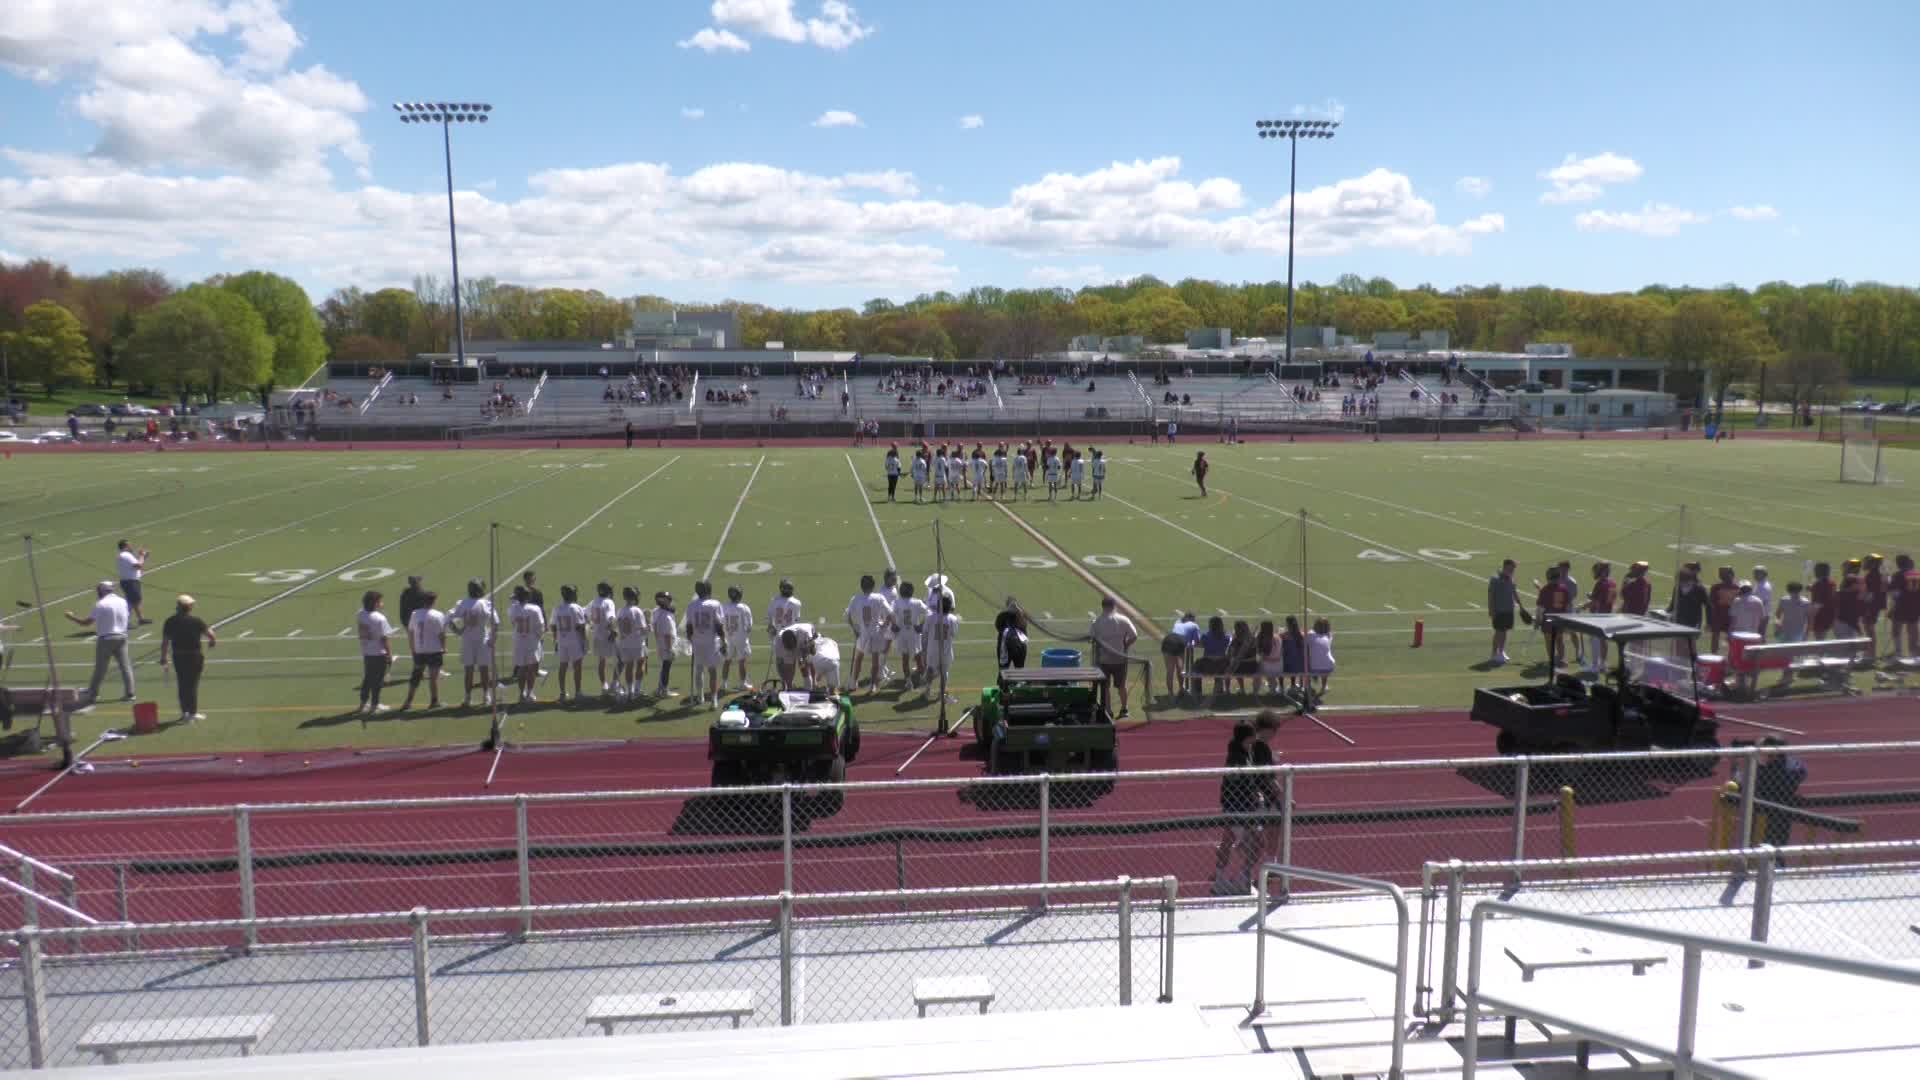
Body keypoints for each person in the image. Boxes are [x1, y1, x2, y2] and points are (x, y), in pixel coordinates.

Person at [65, 581, 136, 705]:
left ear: (103, 591)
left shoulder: (101, 604)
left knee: (100, 669)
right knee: (125, 667)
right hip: (122, 637)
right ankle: (130, 693)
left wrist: (72, 617)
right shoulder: (123, 601)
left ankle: (93, 693)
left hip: (106, 639)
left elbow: (86, 623)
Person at [1212, 721, 1261, 895]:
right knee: (1256, 844)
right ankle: (1242, 878)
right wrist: (1253, 798)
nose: (1252, 744)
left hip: (1235, 808)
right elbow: (1238, 786)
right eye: (1249, 741)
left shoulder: (1242, 752)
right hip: (1238, 809)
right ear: (1243, 739)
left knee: (1227, 842)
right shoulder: (1236, 758)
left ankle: (1220, 879)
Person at [157, 594, 215, 723]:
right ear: (189, 607)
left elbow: (165, 642)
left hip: (179, 656)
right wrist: (212, 641)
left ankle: (185, 713)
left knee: (183, 685)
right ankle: (192, 713)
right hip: (194, 656)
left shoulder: (170, 621)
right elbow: (210, 634)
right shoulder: (196, 621)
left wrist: (163, 657)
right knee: (192, 685)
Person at [1754, 737, 1808, 863]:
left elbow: (1747, 780)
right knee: (1780, 841)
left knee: (1766, 841)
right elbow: (1802, 772)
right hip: (1784, 808)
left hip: (1766, 811)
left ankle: (1771, 865)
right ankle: (1777, 863)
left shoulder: (1766, 770)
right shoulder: (1794, 766)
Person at [450, 579, 498, 710]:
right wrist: (493, 638)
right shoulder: (486, 604)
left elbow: (449, 618)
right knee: (484, 670)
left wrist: (457, 631)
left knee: (469, 671)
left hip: (467, 641)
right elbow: (496, 623)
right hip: (482, 640)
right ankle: (486, 696)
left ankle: (468, 697)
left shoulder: (462, 603)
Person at [1090, 596, 1139, 718]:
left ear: (1103, 607)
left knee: (1105, 687)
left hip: (1104, 660)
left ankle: (1108, 710)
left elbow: (1092, 639)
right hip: (1120, 658)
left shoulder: (1096, 622)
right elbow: (1134, 635)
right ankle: (1124, 710)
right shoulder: (1123, 619)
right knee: (1122, 685)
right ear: (1114, 606)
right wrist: (1125, 645)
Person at [400, 590, 447, 710]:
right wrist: (444, 647)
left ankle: (408, 702)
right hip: (434, 650)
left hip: (419, 650)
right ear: (433, 602)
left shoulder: (415, 614)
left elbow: (411, 632)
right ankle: (434, 701)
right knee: (433, 678)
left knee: (415, 676)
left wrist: (413, 648)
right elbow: (441, 634)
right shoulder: (438, 615)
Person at [685, 580, 726, 707]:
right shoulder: (715, 604)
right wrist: (724, 640)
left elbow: (689, 626)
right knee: (712, 671)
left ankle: (700, 696)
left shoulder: (691, 605)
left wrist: (690, 639)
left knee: (699, 669)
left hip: (697, 642)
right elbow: (719, 625)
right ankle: (713, 700)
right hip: (711, 642)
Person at [354, 589, 393, 715]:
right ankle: (374, 705)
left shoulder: (360, 614)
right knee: (377, 682)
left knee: (367, 679)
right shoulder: (380, 618)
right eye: (379, 601)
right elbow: (384, 638)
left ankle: (363, 704)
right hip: (378, 653)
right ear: (375, 603)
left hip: (366, 651)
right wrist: (389, 654)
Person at [551, 585, 588, 704]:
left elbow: (553, 626)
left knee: (563, 667)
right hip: (574, 641)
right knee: (577, 667)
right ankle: (578, 692)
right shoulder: (575, 608)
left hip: (562, 641)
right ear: (572, 595)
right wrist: (584, 641)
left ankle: (562, 693)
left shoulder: (557, 608)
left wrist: (555, 639)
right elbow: (580, 627)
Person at [509, 585, 544, 705]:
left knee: (522, 669)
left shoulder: (513, 609)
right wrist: (538, 637)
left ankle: (521, 694)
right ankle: (530, 692)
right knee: (531, 669)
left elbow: (512, 622)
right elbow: (540, 626)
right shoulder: (535, 608)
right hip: (532, 641)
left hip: (519, 641)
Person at [615, 586, 650, 699]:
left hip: (624, 643)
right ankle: (637, 689)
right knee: (640, 663)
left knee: (628, 666)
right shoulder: (637, 610)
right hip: (636, 643)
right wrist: (649, 623)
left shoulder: (620, 611)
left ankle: (630, 691)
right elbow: (644, 629)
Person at [923, 595, 959, 700]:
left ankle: (927, 690)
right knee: (944, 672)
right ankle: (941, 693)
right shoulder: (953, 619)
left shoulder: (930, 617)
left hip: (932, 650)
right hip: (946, 651)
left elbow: (925, 631)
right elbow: (954, 633)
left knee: (930, 669)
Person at [894, 581, 930, 685]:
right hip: (914, 635)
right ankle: (924, 678)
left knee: (905, 659)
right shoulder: (917, 602)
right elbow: (929, 613)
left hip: (902, 635)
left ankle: (908, 682)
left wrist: (894, 625)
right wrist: (921, 625)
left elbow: (889, 613)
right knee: (918, 657)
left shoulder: (897, 602)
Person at [1584, 562, 1617, 673]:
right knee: (1603, 641)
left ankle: (1595, 665)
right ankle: (1602, 663)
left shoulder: (1600, 583)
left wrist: (1583, 606)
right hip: (1608, 614)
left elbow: (1595, 602)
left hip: (1598, 615)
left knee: (1594, 641)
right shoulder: (1612, 583)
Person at [588, 582, 619, 697]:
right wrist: (613, 631)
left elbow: (586, 613)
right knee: (618, 660)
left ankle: (604, 686)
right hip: (607, 635)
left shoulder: (594, 601)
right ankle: (614, 684)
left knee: (602, 661)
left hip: (597, 635)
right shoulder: (609, 602)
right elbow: (610, 618)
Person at [722, 585, 756, 692]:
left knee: (727, 660)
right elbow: (749, 626)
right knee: (742, 660)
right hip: (740, 637)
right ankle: (742, 683)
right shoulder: (744, 608)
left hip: (728, 636)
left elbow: (720, 622)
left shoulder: (724, 606)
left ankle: (724, 683)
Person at [1535, 567, 1570, 667]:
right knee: (1560, 640)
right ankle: (1562, 659)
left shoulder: (1545, 590)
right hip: (1560, 619)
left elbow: (1540, 607)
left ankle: (1553, 660)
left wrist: (1538, 620)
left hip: (1548, 621)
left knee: (1549, 642)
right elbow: (1568, 606)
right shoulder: (1564, 589)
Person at [1487, 559, 1519, 666]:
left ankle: (1501, 651)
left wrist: (1519, 603)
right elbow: (1491, 595)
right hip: (1499, 610)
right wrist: (1491, 609)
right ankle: (1494, 653)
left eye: (1513, 568)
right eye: (1511, 568)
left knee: (1505, 631)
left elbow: (1514, 592)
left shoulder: (1511, 578)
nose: (1513, 570)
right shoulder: (1495, 579)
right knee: (1499, 632)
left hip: (1509, 610)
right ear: (1505, 566)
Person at [1162, 612, 1200, 701]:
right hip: (1179, 642)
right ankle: (1181, 689)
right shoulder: (1194, 625)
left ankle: (1171, 694)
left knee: (1170, 670)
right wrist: (1191, 642)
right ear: (1192, 619)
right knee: (1180, 668)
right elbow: (1197, 642)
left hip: (1168, 640)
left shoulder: (1178, 622)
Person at [115, 539, 151, 625]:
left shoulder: (123, 555)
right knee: (133, 601)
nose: (131, 546)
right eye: (129, 545)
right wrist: (142, 556)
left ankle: (136, 619)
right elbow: (138, 565)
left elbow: (137, 565)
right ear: (125, 546)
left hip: (129, 581)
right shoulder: (126, 555)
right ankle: (127, 621)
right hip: (130, 581)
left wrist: (144, 557)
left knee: (134, 601)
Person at [1892, 554, 1920, 660]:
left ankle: (1898, 652)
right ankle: (1914, 654)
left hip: (1902, 606)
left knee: (1896, 629)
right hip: (1915, 606)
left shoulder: (1898, 575)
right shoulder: (1916, 574)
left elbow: (1895, 593)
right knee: (1913, 630)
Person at [1196, 615, 1231, 699]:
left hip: (1207, 666)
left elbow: (1199, 644)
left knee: (1195, 669)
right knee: (1221, 667)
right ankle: (1219, 690)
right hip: (1221, 666)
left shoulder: (1205, 636)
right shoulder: (1226, 637)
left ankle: (1197, 691)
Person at [1706, 566, 1739, 654]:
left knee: (1730, 637)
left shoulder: (1737, 587)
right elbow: (1711, 604)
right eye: (1723, 575)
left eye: (1726, 574)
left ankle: (1730, 655)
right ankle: (1714, 655)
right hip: (1719, 615)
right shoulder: (1716, 587)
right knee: (1716, 636)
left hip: (1730, 617)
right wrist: (1709, 620)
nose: (1725, 577)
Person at [775, 623, 817, 689]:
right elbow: (788, 667)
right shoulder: (779, 643)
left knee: (806, 663)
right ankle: (789, 688)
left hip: (805, 641)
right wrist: (788, 683)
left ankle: (812, 685)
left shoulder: (805, 633)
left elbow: (812, 652)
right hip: (788, 647)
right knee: (788, 671)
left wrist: (803, 657)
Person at [766, 578, 803, 652]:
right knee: (791, 657)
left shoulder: (774, 601)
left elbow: (769, 617)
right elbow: (797, 620)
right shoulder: (796, 603)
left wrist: (770, 627)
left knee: (779, 658)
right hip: (791, 633)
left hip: (777, 632)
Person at [1305, 618, 1336, 700]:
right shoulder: (1329, 636)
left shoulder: (1310, 635)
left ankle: (1308, 686)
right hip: (1329, 667)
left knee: (1307, 660)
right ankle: (1324, 686)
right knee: (1323, 660)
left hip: (1314, 667)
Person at [1228, 619, 1258, 695]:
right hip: (1252, 667)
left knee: (1232, 666)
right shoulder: (1253, 639)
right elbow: (1255, 657)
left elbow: (1231, 655)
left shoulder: (1235, 641)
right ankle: (1254, 690)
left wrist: (1240, 660)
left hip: (1239, 667)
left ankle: (1242, 689)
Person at [1808, 561, 1836, 641]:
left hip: (1820, 616)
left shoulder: (1818, 584)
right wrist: (1812, 589)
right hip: (1830, 614)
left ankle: (1821, 653)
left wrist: (1811, 618)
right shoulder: (1832, 583)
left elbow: (1818, 604)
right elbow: (1826, 593)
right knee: (1822, 638)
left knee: (1819, 640)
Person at [995, 604, 1028, 671]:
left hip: (1010, 644)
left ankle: (1004, 680)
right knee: (1016, 670)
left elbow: (997, 625)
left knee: (1005, 670)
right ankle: (1017, 680)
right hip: (1014, 645)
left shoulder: (1003, 616)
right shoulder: (1021, 617)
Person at [1751, 567, 1775, 642]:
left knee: (1760, 635)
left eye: (1756, 573)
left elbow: (1762, 602)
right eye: (1754, 573)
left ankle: (1762, 651)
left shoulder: (1763, 587)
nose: (1754, 575)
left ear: (1763, 574)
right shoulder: (1760, 584)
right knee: (1759, 634)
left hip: (1761, 615)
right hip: (1761, 614)